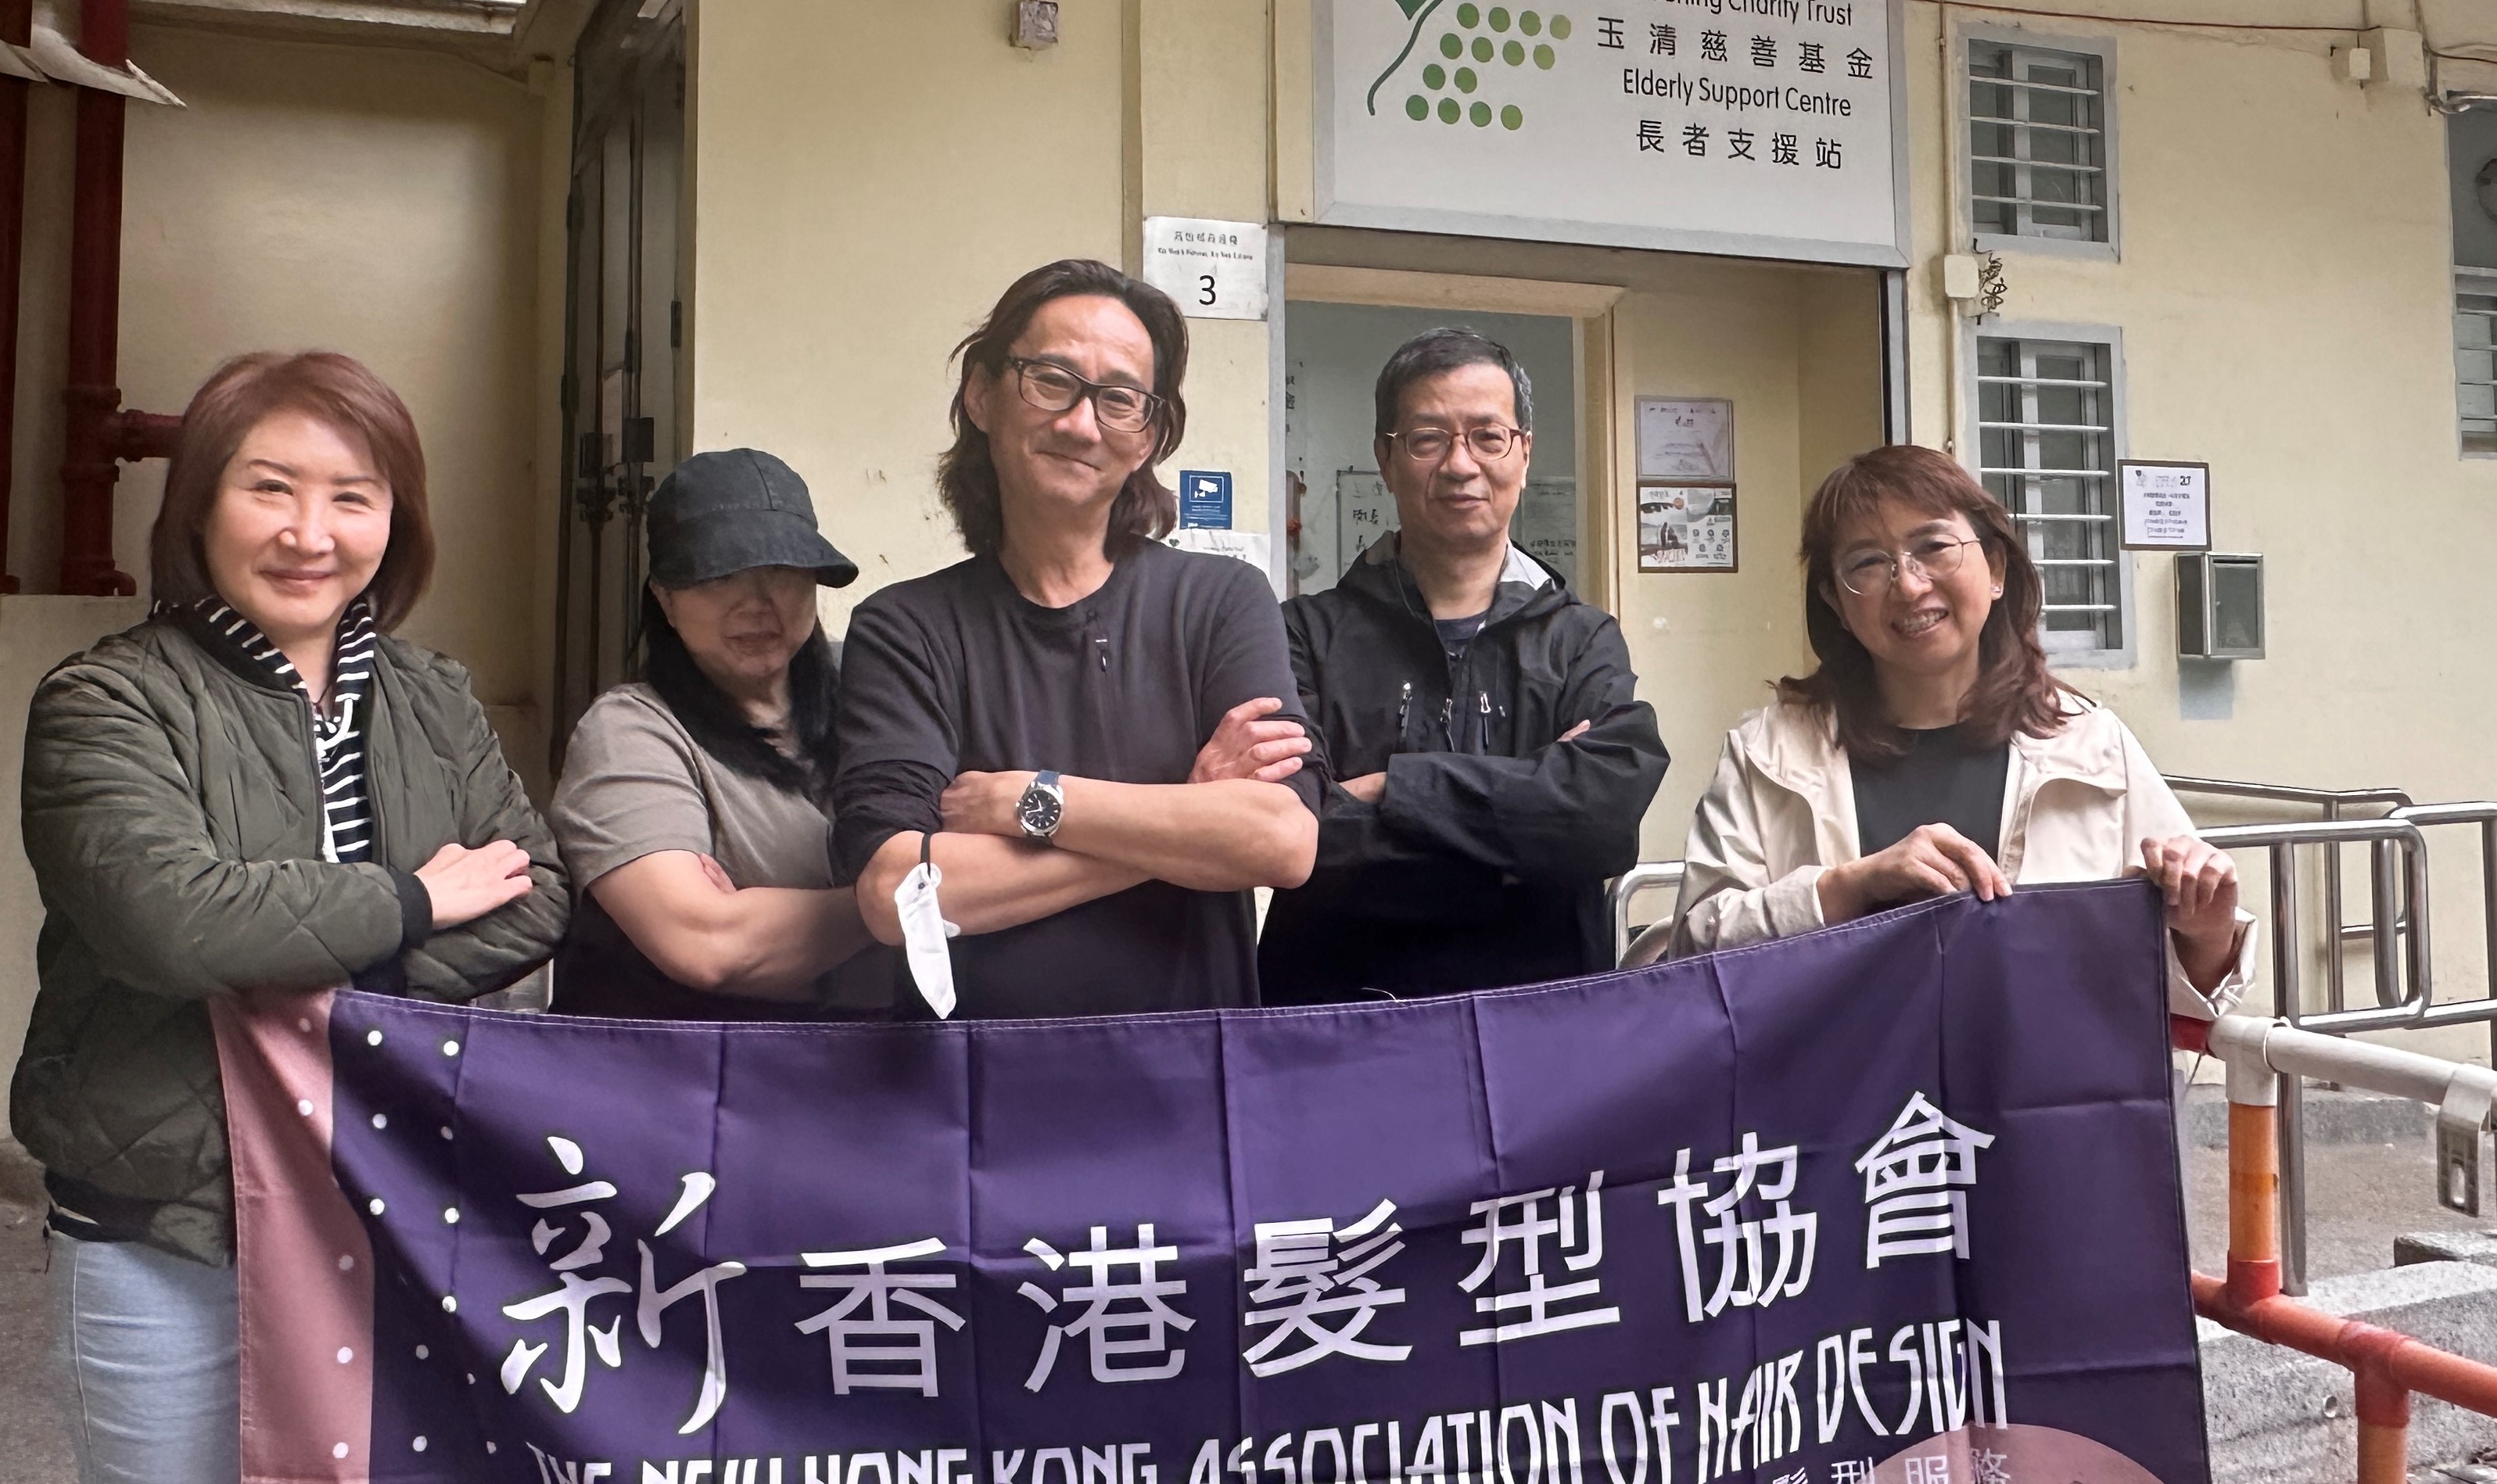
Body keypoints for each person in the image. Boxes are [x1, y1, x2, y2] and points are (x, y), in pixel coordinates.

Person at [12, 351, 567, 1484]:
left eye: (351, 496)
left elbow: (537, 895)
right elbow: (171, 920)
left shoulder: (432, 696)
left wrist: (285, 954)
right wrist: (413, 901)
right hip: (167, 1229)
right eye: (270, 487)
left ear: (396, 518)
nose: (310, 532)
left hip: (393, 1220)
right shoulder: (107, 699)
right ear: (200, 502)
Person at [831, 258, 1321, 1016]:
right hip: (979, 1075)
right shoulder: (906, 629)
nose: (1080, 424)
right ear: (982, 395)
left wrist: (1035, 800)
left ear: (1148, 435)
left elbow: (1281, 841)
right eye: (1051, 381)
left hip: (1190, 1067)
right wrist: (1187, 814)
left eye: (1119, 399)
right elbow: (896, 893)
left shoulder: (1221, 600)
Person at [1663, 443, 2249, 1016]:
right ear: (1835, 602)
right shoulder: (1768, 752)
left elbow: (2188, 995)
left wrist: (2206, 930)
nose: (1909, 584)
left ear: (1995, 568)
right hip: (1836, 1081)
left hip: (2040, 1079)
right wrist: (1847, 889)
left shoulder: (2090, 743)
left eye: (1934, 547)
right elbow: (1692, 955)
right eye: (1867, 563)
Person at [1258, 328, 1669, 1001]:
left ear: (1523, 453)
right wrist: (1520, 836)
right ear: (1386, 458)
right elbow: (1294, 833)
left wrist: (1390, 788)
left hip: (1541, 1021)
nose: (1459, 463)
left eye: (1487, 436)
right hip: (1337, 1019)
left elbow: (1597, 824)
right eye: (1427, 439)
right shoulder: (1299, 634)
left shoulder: (1581, 640)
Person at [548, 447, 895, 1016]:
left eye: (781, 571)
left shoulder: (880, 685)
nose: (756, 604)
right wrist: (916, 898)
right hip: (694, 1061)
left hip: (889, 1050)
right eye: (720, 576)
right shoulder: (629, 731)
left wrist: (779, 928)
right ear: (665, 598)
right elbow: (710, 945)